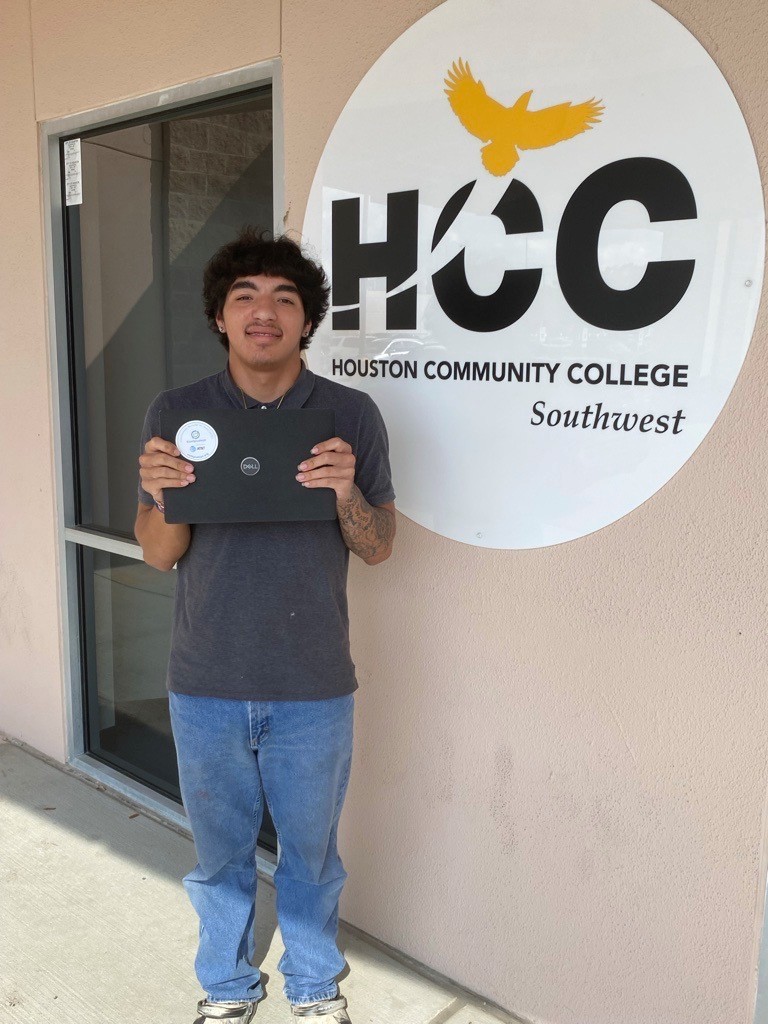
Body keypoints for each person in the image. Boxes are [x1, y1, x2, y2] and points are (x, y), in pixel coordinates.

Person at [135, 228, 396, 1024]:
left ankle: (315, 989)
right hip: (206, 678)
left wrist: (346, 491)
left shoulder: (350, 415)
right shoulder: (177, 413)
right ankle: (227, 986)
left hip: (313, 683)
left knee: (310, 857)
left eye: (285, 299)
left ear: (307, 322)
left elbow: (380, 546)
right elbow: (156, 553)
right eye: (245, 295)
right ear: (220, 316)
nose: (264, 312)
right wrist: (167, 495)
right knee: (219, 860)